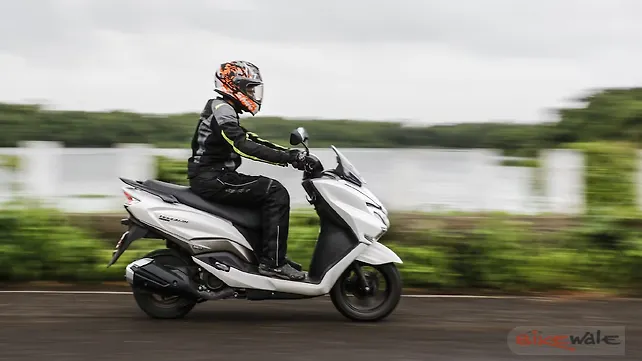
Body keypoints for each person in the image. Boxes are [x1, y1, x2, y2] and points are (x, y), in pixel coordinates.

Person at [187, 60, 308, 281]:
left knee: (265, 196)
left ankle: (269, 256)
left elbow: (250, 139)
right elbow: (241, 145)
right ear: (234, 85)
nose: (253, 92)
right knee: (275, 192)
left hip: (217, 175)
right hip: (213, 177)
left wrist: (293, 155)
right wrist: (288, 158)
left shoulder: (224, 109)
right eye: (250, 87)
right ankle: (274, 264)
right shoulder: (222, 109)